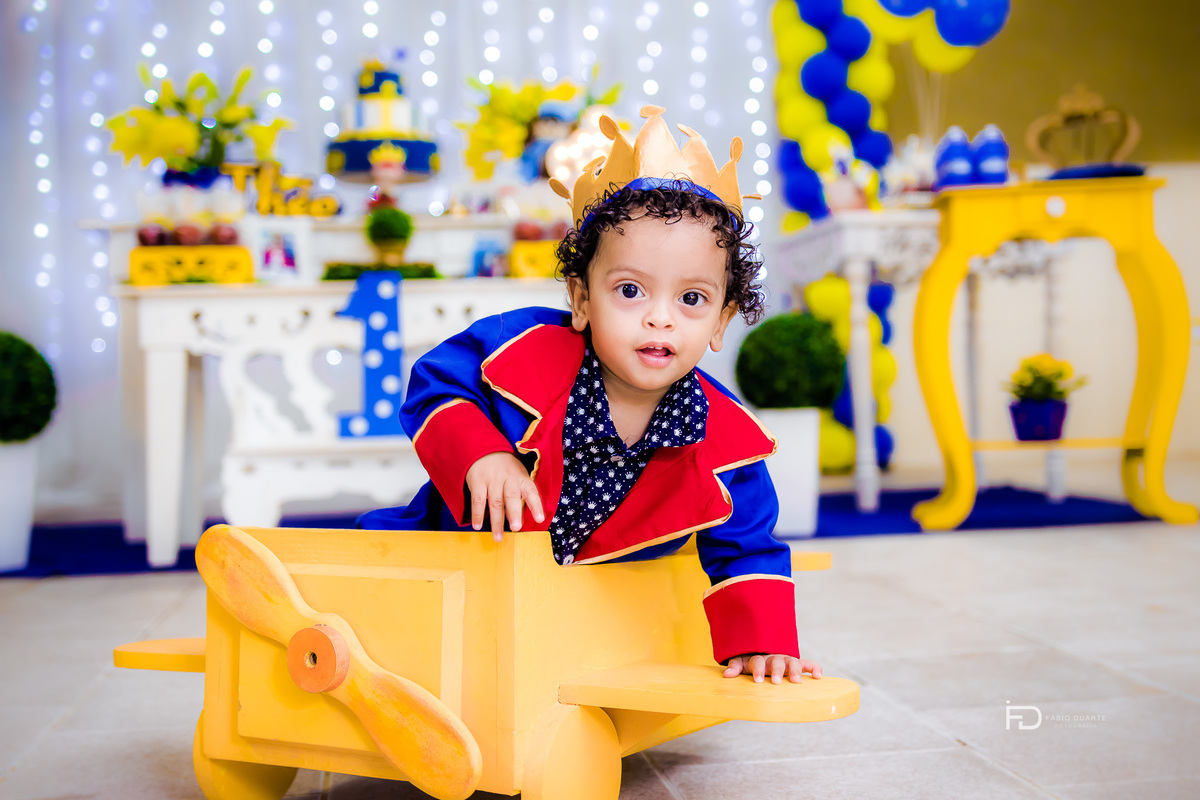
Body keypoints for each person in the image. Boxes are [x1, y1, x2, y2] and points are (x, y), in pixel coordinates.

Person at [359, 106, 822, 686]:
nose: (659, 319)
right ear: (581, 299)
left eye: (692, 299)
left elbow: (748, 544)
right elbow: (438, 383)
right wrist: (484, 453)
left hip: (579, 610)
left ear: (722, 321)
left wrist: (764, 642)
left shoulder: (723, 440)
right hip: (454, 560)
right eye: (630, 290)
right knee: (387, 625)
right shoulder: (524, 347)